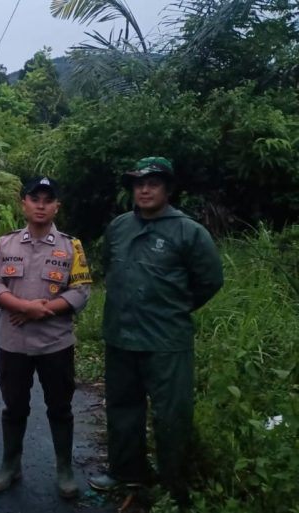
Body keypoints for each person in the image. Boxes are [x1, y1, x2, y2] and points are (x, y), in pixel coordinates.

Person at [88, 157, 223, 506]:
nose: (144, 189)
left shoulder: (189, 231)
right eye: (138, 184)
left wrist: (173, 307)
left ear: (168, 188)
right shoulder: (119, 227)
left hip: (167, 340)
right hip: (121, 336)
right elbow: (109, 269)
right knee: (122, 407)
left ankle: (172, 482)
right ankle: (127, 472)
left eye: (153, 183)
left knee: (171, 414)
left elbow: (210, 280)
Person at [0, 176, 92, 499]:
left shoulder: (71, 246)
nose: (41, 205)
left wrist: (39, 311)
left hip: (55, 344)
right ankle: (10, 465)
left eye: (48, 199)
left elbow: (82, 290)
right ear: (24, 204)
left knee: (60, 407)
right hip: (14, 344)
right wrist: (22, 306)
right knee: (14, 407)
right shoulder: (5, 244)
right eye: (35, 199)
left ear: (57, 205)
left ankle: (64, 469)